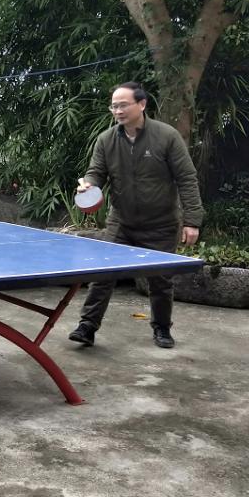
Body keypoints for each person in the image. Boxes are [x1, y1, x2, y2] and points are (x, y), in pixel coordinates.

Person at [68, 81, 203, 350]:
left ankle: (162, 328)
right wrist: (89, 185)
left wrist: (192, 221)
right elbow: (96, 172)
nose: (117, 111)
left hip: (161, 223)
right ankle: (87, 326)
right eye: (113, 106)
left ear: (141, 104)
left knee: (161, 280)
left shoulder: (167, 136)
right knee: (103, 274)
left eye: (123, 105)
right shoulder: (106, 139)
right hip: (122, 222)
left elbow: (187, 178)